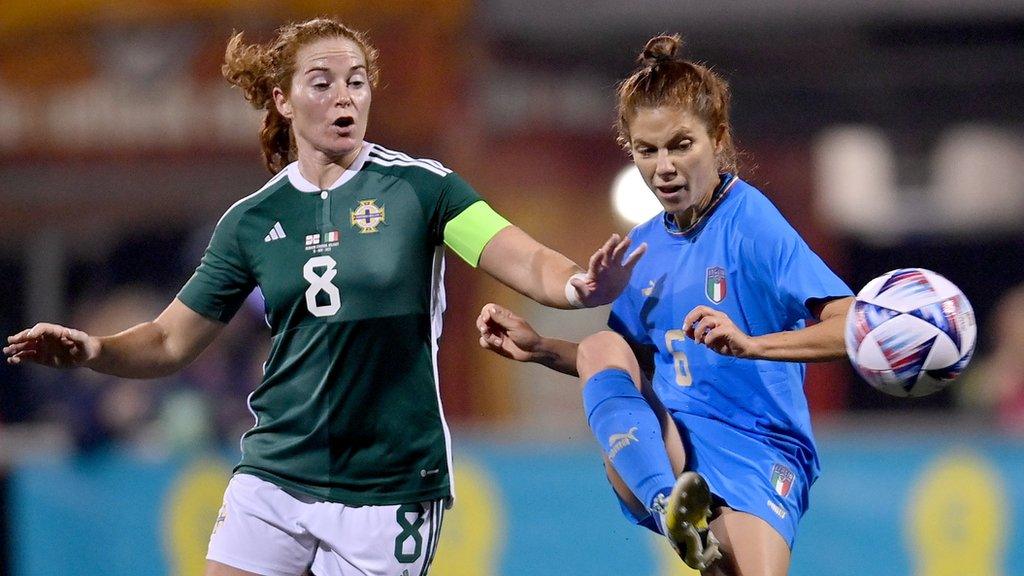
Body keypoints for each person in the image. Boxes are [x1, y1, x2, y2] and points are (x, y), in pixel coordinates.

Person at [3, 17, 644, 576]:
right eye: (323, 82)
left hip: (390, 482)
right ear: (282, 101)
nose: (345, 97)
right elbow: (170, 339)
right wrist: (92, 348)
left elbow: (522, 256)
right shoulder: (252, 222)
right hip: (277, 471)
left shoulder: (423, 191)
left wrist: (576, 285)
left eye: (357, 81)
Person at [477, 34, 854, 576]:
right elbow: (624, 366)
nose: (664, 167)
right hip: (669, 446)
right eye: (646, 151)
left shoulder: (753, 224)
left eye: (681, 145)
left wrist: (752, 345)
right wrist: (541, 349)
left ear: (718, 138)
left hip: (758, 445)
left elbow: (850, 327)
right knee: (605, 342)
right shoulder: (643, 249)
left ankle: (684, 517)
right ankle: (669, 506)